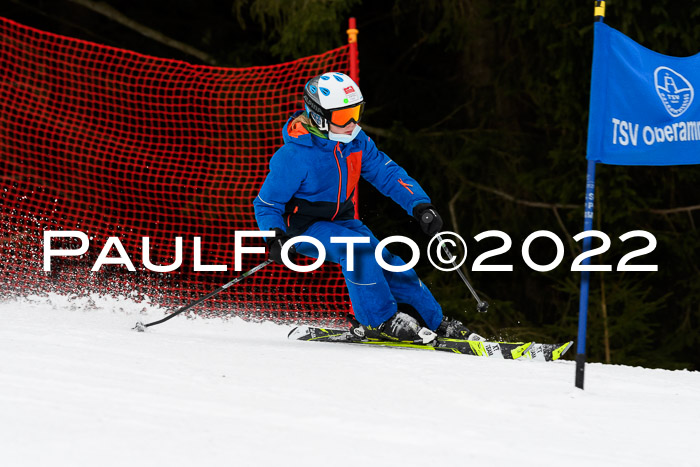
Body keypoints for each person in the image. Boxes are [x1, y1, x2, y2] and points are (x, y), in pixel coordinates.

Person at [254, 72, 480, 344]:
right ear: (318, 115)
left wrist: (419, 204)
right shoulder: (294, 156)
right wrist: (274, 236)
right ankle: (379, 320)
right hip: (303, 227)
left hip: (342, 219)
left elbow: (386, 174)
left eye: (356, 112)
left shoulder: (357, 142)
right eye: (341, 116)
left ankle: (434, 321)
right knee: (357, 250)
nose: (351, 123)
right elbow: (267, 203)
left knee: (388, 261)